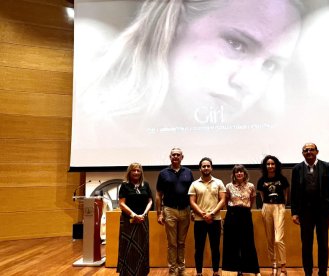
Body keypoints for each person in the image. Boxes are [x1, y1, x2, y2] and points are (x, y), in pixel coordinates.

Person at [78, 0, 303, 130]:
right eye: (236, 44)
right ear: (175, 22)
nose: (249, 83)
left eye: (270, 65)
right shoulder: (90, 122)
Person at [291, 143, 329, 276]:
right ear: (302, 153)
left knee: (323, 244)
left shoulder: (326, 167)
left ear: (317, 152)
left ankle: (322, 272)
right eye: (306, 150)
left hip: (323, 212)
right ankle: (308, 272)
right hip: (304, 213)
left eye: (311, 150)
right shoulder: (297, 169)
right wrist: (294, 212)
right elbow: (294, 192)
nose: (309, 152)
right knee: (306, 245)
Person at [156, 148, 194, 276]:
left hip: (185, 210)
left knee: (181, 242)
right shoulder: (163, 173)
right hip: (169, 210)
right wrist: (159, 213)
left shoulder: (188, 172)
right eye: (173, 155)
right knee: (172, 243)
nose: (176, 156)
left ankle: (181, 269)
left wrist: (193, 211)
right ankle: (172, 269)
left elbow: (193, 194)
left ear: (182, 157)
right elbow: (158, 195)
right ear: (170, 157)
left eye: (178, 155)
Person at [188, 157, 226, 276]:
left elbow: (223, 200)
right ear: (200, 169)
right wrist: (204, 214)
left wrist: (212, 213)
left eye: (208, 166)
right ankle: (199, 272)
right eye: (203, 166)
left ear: (211, 168)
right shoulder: (194, 184)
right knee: (199, 248)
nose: (206, 168)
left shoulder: (219, 182)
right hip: (200, 220)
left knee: (215, 248)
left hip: (215, 220)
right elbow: (192, 202)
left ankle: (215, 271)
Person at [222, 164, 260, 276]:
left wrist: (245, 209)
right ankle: (236, 269)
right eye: (236, 172)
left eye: (241, 172)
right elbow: (226, 200)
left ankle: (251, 269)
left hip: (245, 214)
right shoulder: (228, 186)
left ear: (245, 174)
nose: (239, 174)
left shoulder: (251, 186)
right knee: (233, 242)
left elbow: (252, 200)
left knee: (248, 242)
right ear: (234, 174)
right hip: (232, 214)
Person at [117, 163, 153, 276]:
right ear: (129, 172)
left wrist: (143, 214)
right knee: (128, 247)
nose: (136, 172)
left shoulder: (145, 185)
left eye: (138, 170)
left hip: (143, 220)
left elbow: (150, 201)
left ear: (141, 172)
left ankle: (141, 272)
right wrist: (133, 215)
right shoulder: (124, 186)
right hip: (129, 221)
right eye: (134, 170)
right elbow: (121, 203)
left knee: (142, 247)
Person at [257, 155, 289, 276]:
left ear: (276, 165)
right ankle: (274, 265)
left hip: (279, 207)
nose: (270, 166)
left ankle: (283, 266)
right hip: (267, 207)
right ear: (265, 166)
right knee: (269, 239)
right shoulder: (261, 180)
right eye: (268, 164)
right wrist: (267, 207)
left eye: (273, 164)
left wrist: (281, 207)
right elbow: (262, 196)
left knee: (278, 239)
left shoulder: (283, 179)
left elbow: (286, 195)